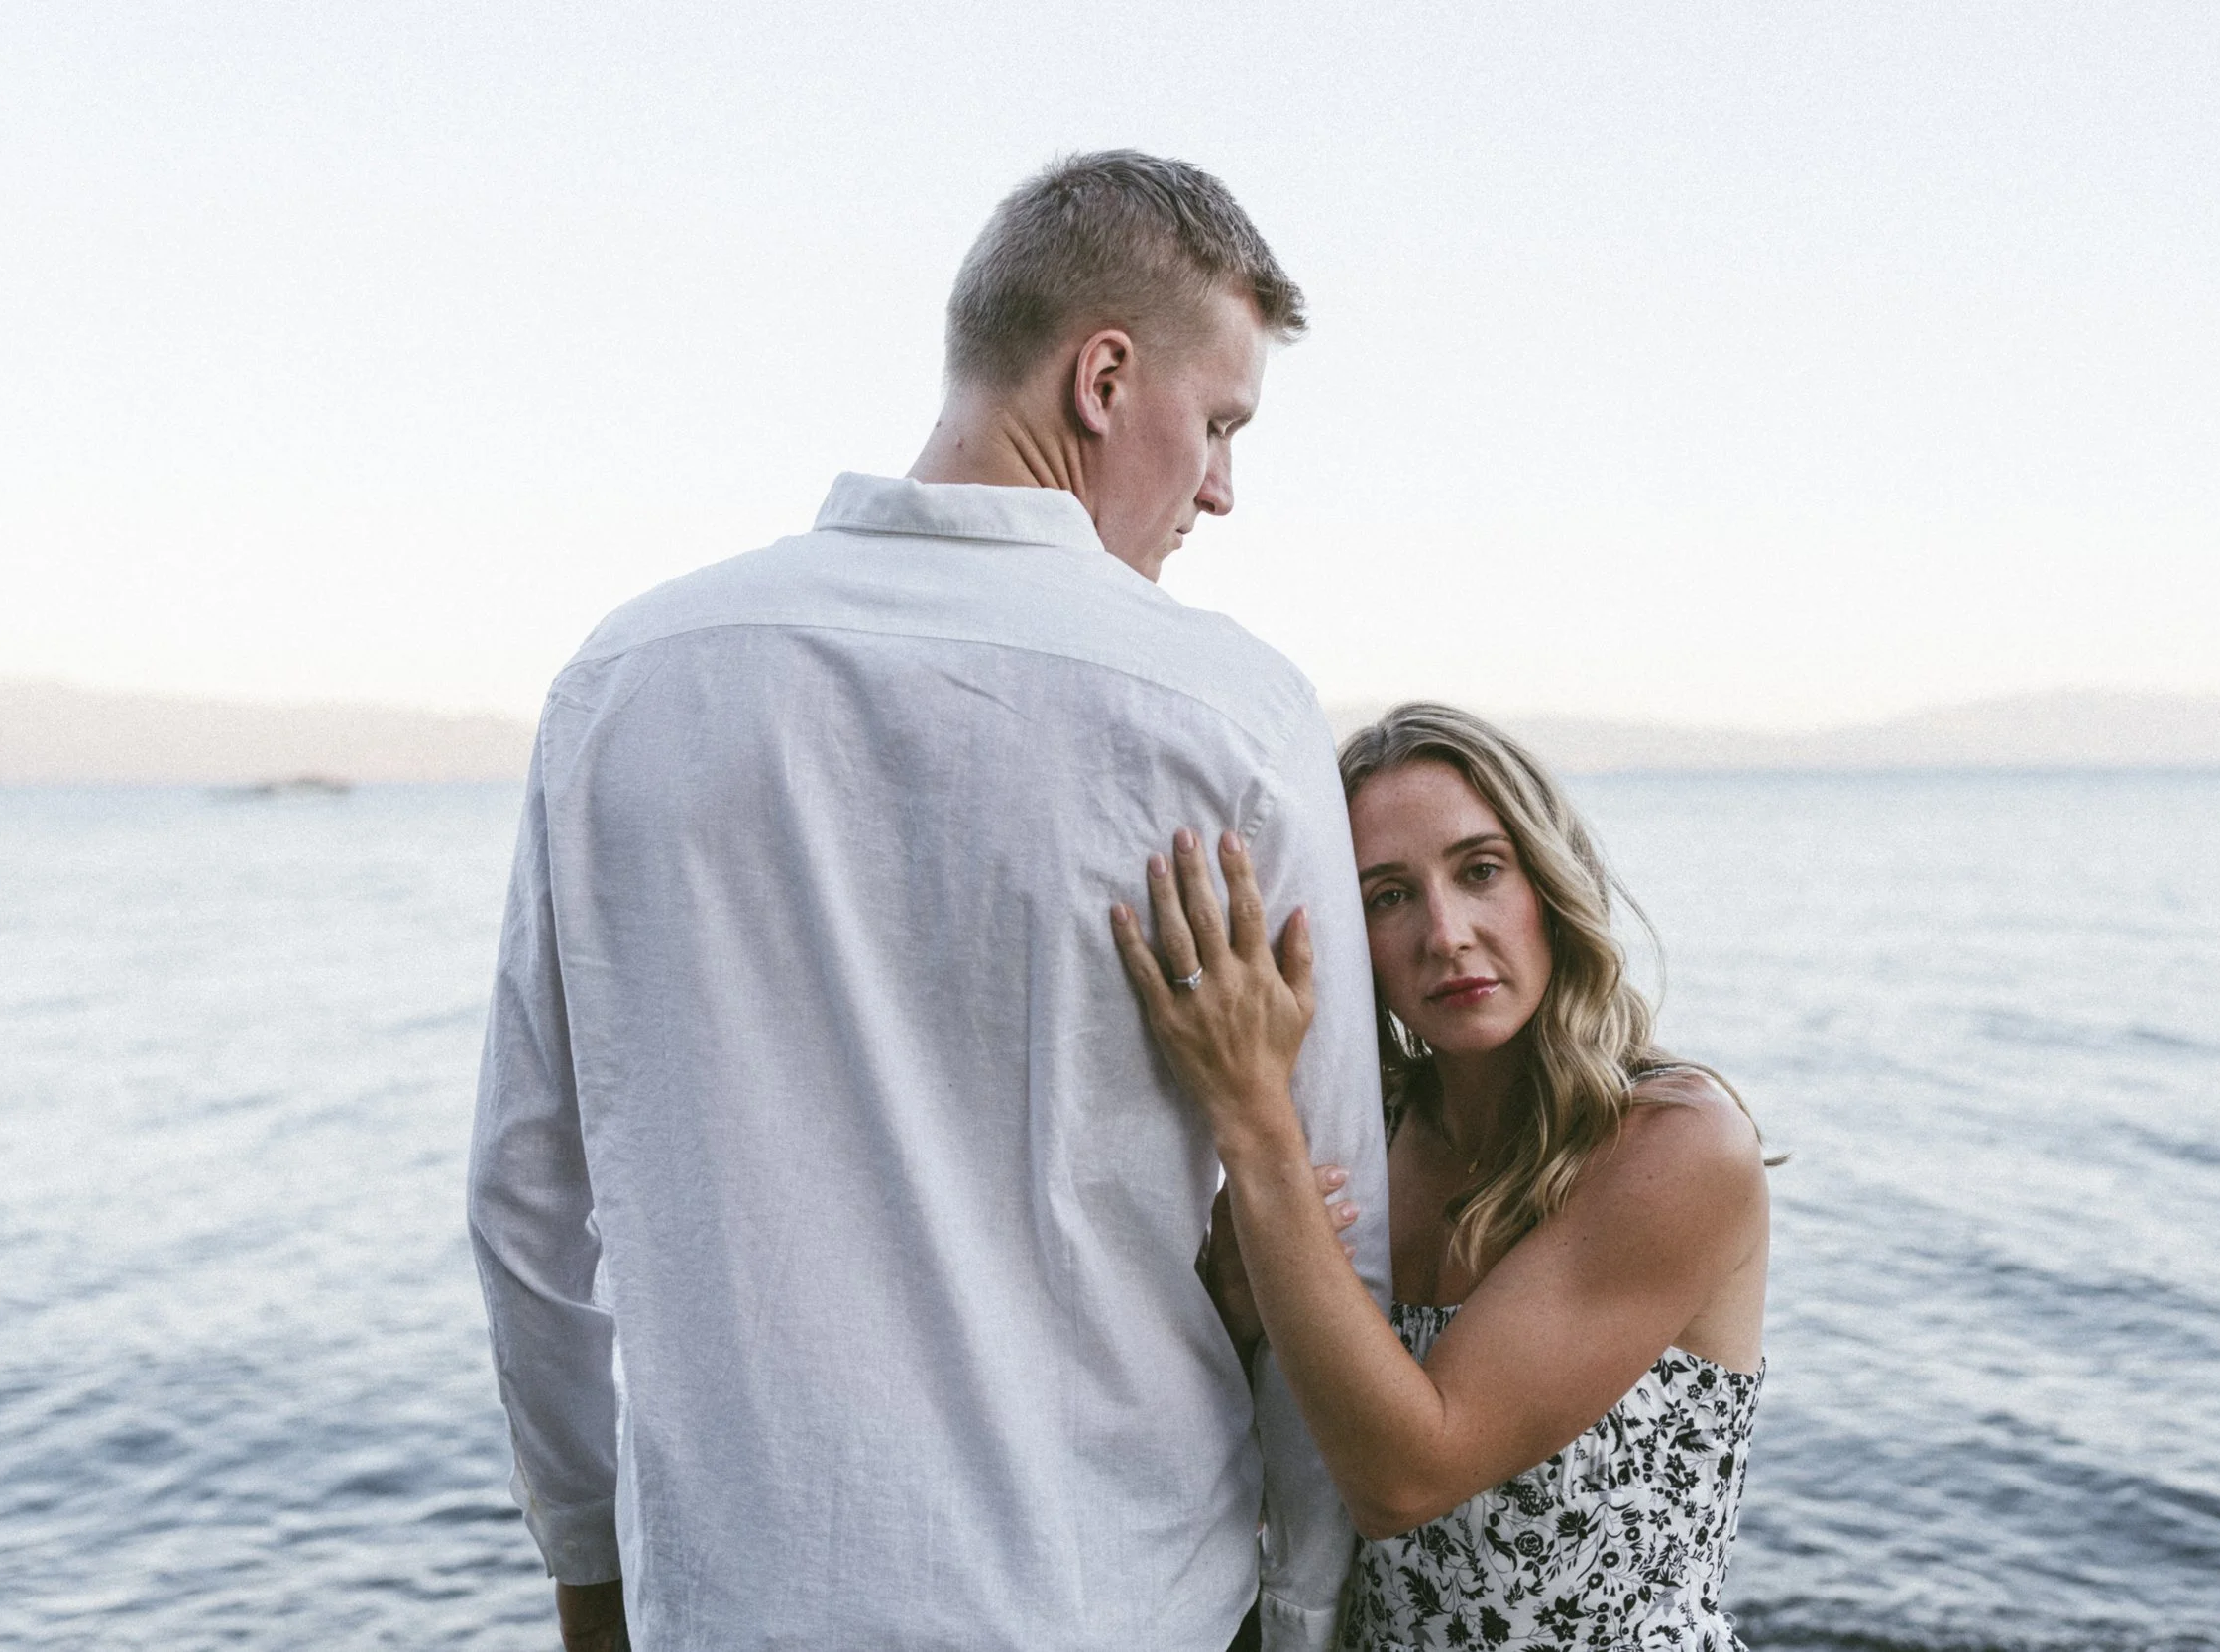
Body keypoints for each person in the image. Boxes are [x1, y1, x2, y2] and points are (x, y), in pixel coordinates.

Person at [467, 151, 1391, 1652]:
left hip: (732, 1602)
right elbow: (1332, 1204)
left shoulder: (623, 681)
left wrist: (591, 1575)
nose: (1223, 486)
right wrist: (1299, 1611)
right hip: (1122, 1600)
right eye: (1218, 422)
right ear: (1103, 375)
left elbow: (523, 1194)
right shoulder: (1228, 712)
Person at [1111, 703, 1772, 1651]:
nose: (1446, 932)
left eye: (1480, 871)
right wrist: (1228, 1307)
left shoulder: (1673, 1144)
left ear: (1548, 881)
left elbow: (1403, 1478)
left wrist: (1252, 1120)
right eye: (1387, 894)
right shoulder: (1364, 1135)